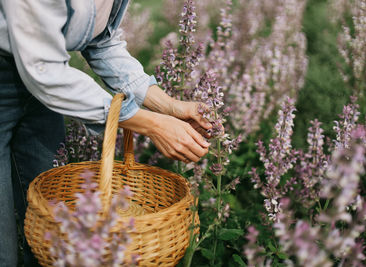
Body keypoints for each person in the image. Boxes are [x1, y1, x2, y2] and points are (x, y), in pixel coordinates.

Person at [0, 0, 211, 265]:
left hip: (43, 86)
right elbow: (45, 70)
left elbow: (102, 43)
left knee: (53, 239)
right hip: (34, 71)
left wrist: (169, 106)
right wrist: (153, 125)